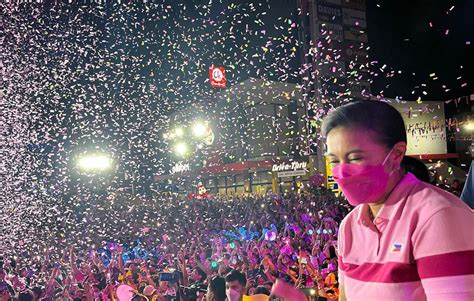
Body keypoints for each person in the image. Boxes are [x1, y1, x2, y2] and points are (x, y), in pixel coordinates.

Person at [322, 100, 474, 300]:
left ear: (396, 154)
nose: (342, 170)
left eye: (355, 158)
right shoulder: (349, 226)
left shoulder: (438, 215)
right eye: (334, 161)